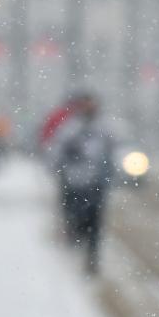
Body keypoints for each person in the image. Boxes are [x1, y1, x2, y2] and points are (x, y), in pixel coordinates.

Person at [54, 93, 115, 274]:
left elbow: (115, 151)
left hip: (97, 183)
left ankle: (92, 258)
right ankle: (75, 239)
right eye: (85, 104)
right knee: (76, 217)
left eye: (91, 104)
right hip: (74, 182)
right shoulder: (69, 128)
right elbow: (57, 151)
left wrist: (111, 171)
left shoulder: (105, 128)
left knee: (95, 222)